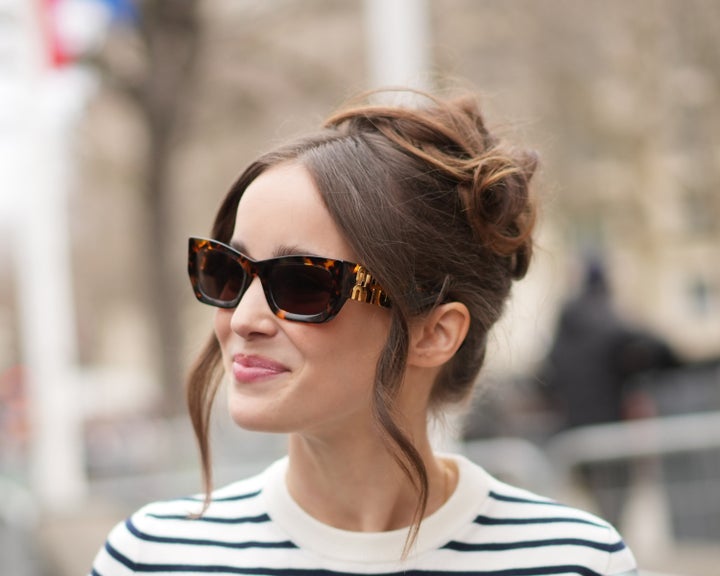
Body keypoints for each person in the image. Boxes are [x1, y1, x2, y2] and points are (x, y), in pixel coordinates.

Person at [90, 89, 637, 575]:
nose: (243, 318)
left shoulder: (574, 561)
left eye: (302, 283)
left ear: (434, 333)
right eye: (228, 271)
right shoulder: (152, 556)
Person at [538, 260, 679, 526]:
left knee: (596, 509)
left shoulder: (565, 328)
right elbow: (663, 350)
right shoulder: (610, 320)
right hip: (611, 432)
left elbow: (546, 379)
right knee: (613, 512)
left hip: (573, 434)